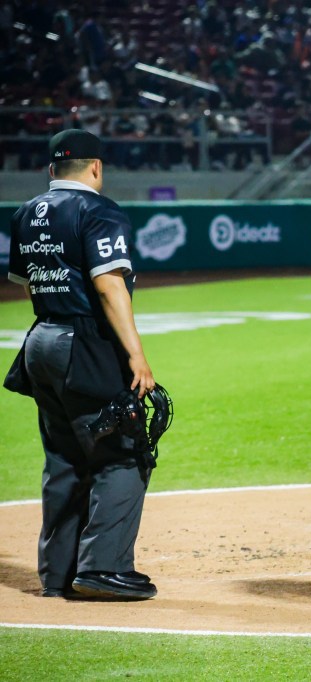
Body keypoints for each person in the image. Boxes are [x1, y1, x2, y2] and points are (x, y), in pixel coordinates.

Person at [4, 130, 159, 600]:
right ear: (96, 168)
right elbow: (110, 286)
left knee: (65, 456)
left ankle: (57, 574)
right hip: (82, 341)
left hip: (40, 340)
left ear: (51, 170)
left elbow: (27, 285)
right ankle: (103, 568)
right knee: (124, 450)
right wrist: (136, 355)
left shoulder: (25, 213)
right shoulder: (98, 210)